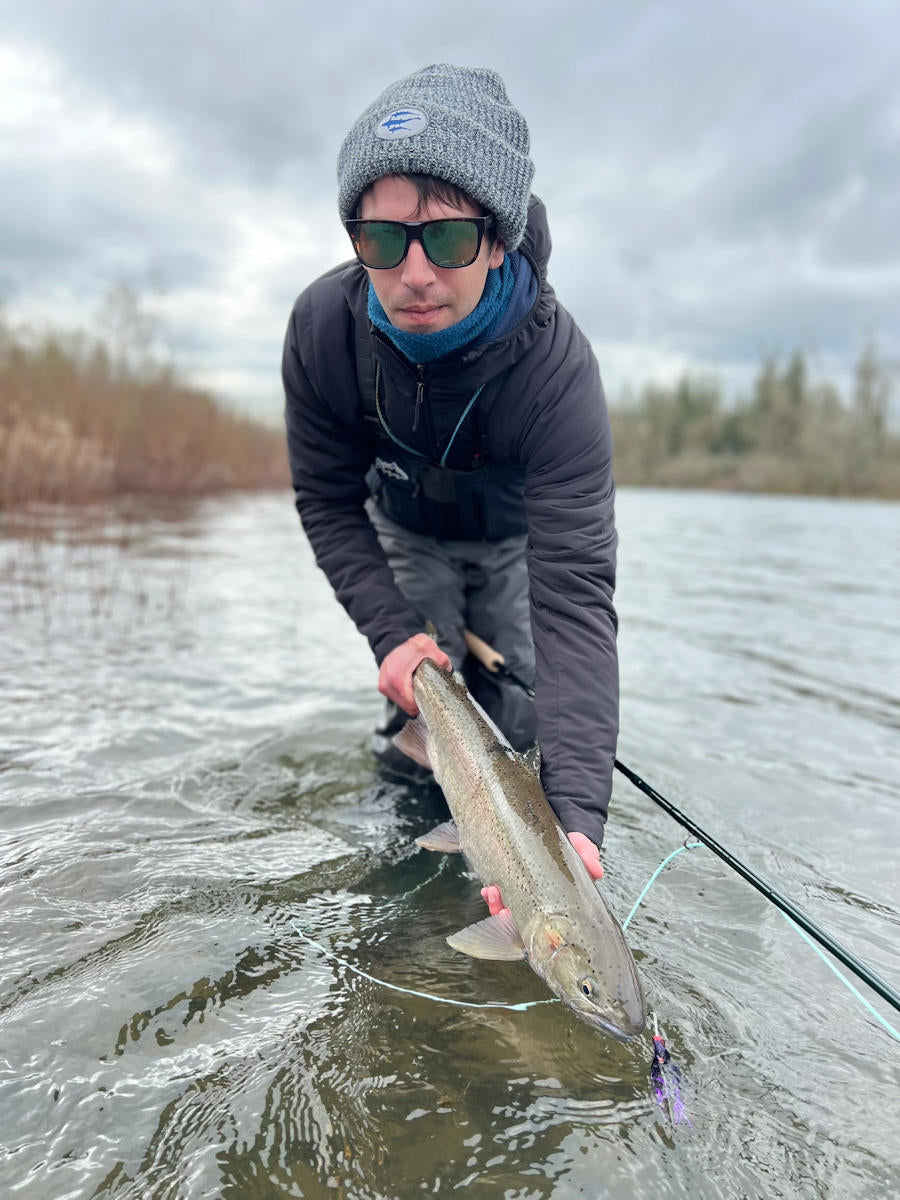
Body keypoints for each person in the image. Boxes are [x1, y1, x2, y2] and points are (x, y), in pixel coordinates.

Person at [283, 64, 618, 903]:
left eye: (450, 238)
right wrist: (393, 634)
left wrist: (575, 820)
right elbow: (326, 499)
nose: (416, 274)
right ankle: (403, 872)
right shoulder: (323, 329)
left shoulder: (558, 371)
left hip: (513, 543)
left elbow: (574, 596)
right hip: (402, 530)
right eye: (384, 239)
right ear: (357, 237)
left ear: (498, 238)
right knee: (422, 709)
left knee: (516, 714)